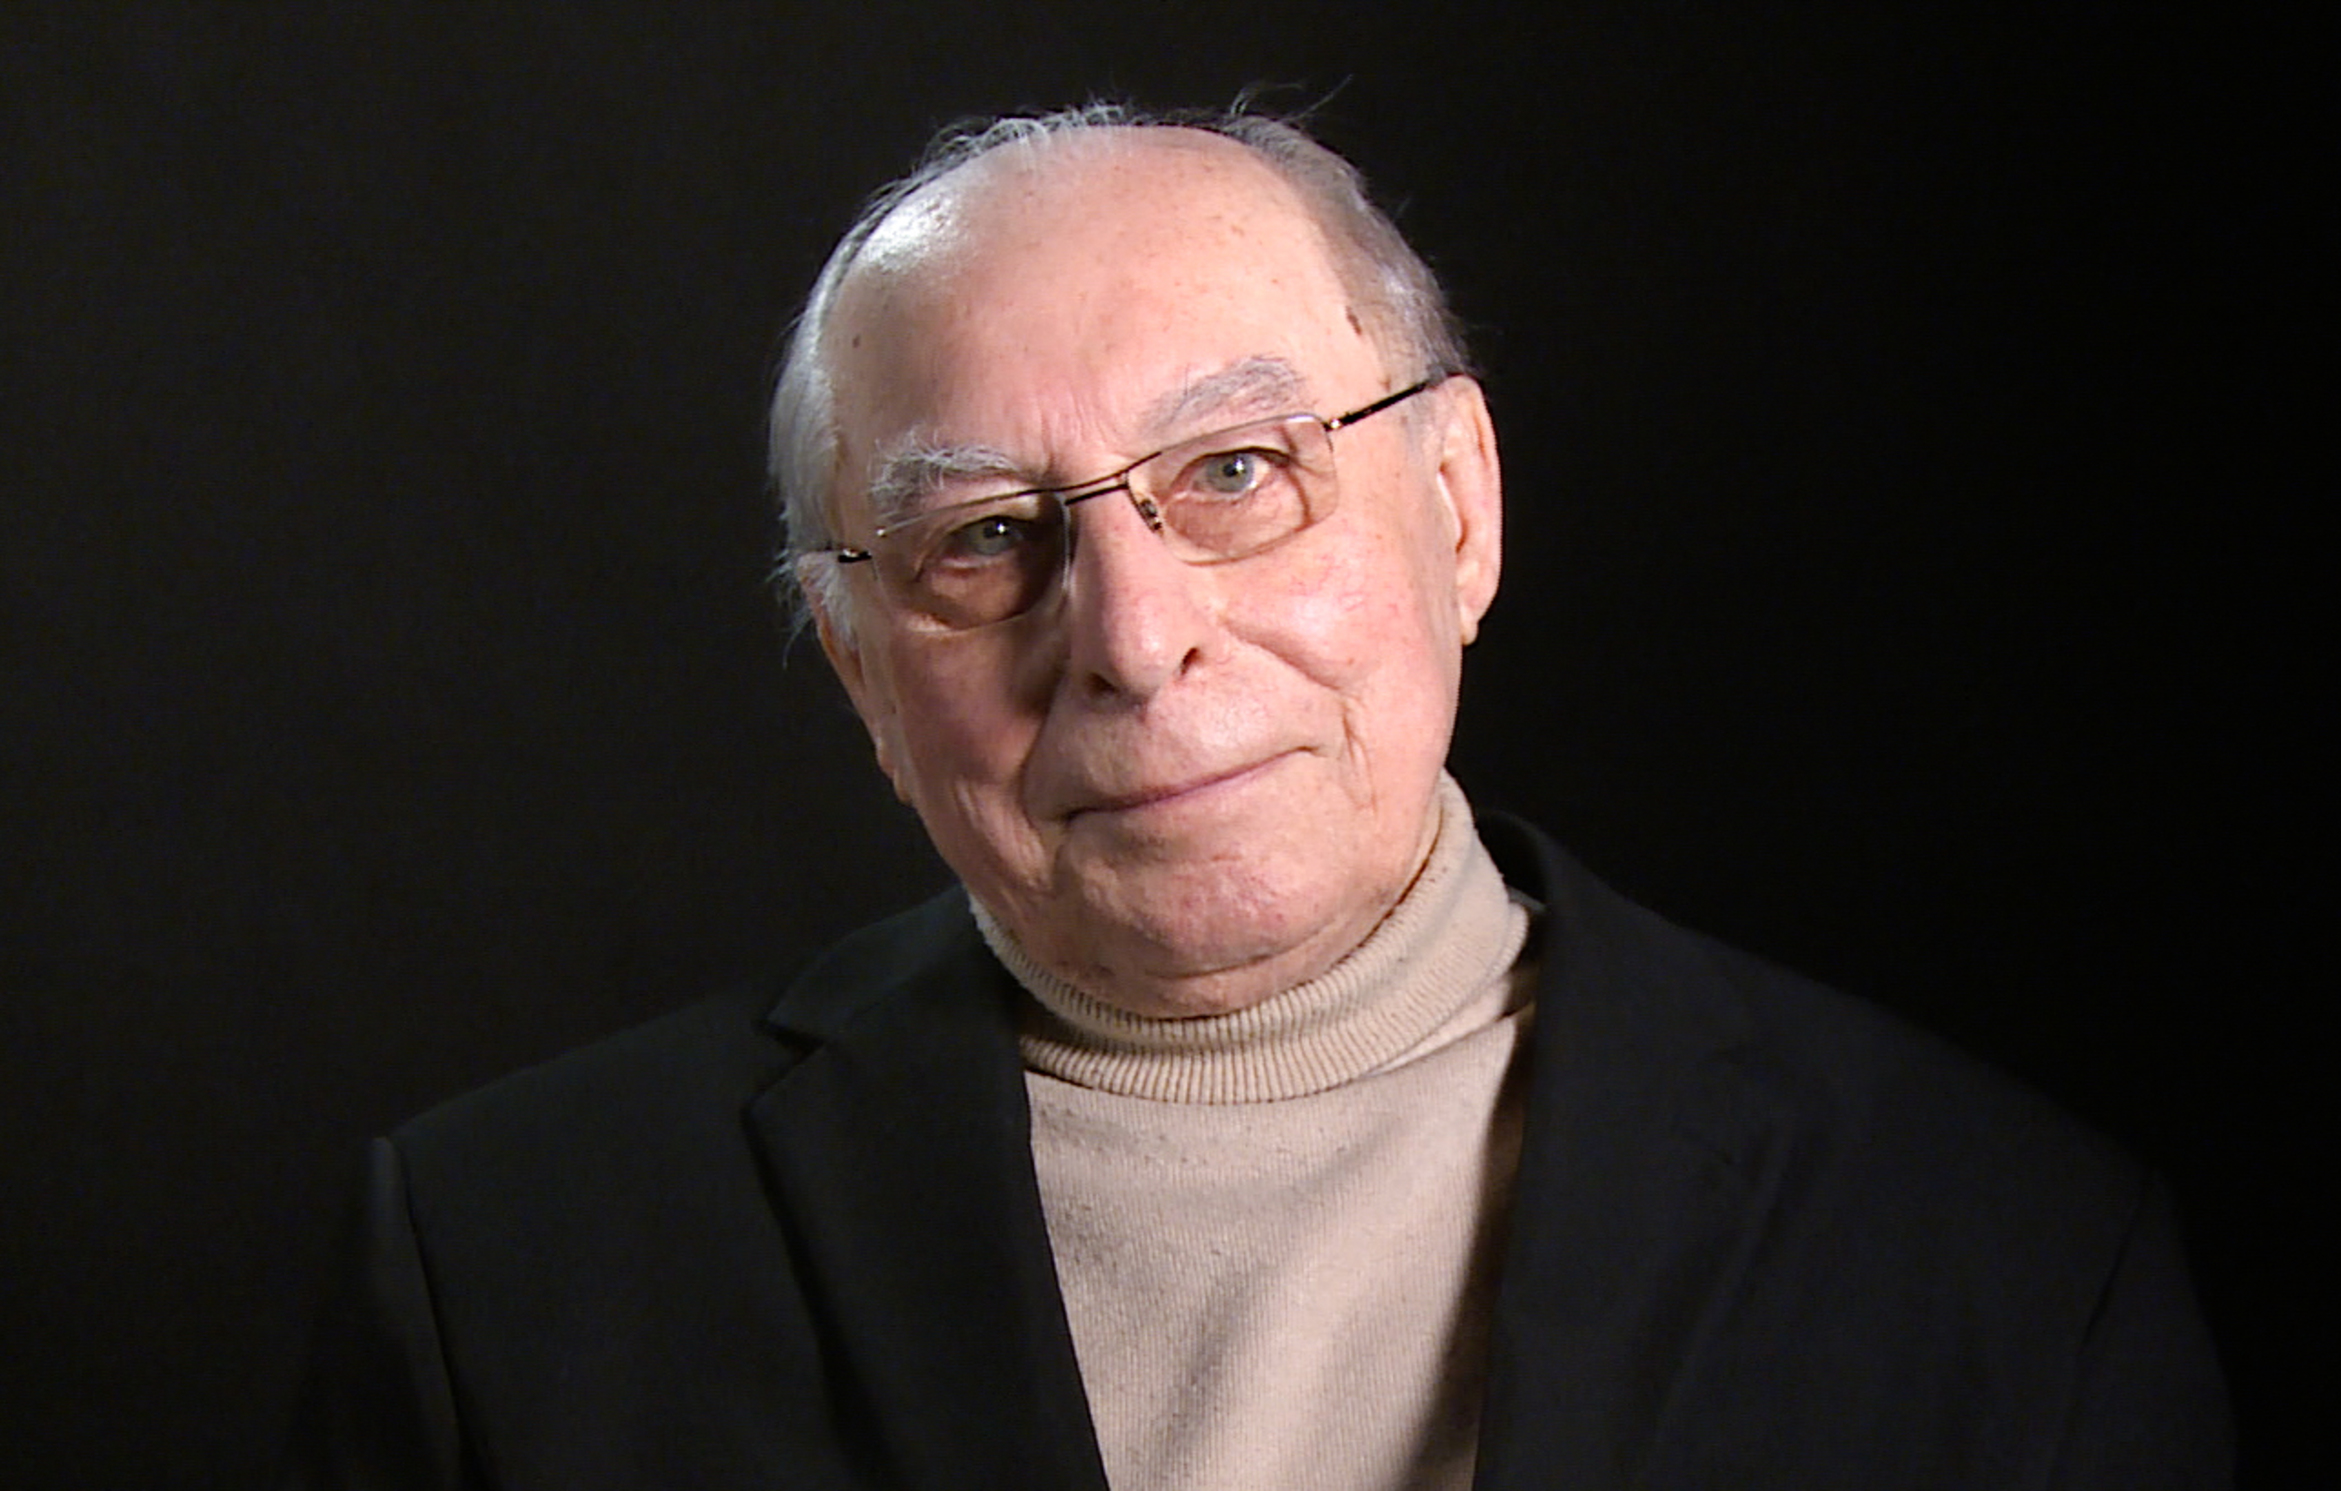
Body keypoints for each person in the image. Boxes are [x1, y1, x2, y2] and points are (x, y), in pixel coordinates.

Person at [284, 105, 2231, 1489]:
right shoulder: (509, 1266)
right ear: (866, 670)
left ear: (1457, 507)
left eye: (1233, 473)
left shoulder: (2002, 1255)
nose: (1134, 642)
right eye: (985, 537)